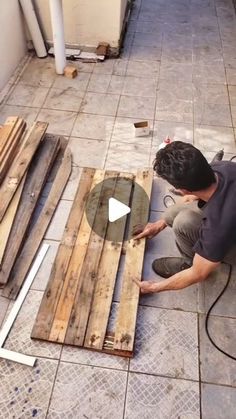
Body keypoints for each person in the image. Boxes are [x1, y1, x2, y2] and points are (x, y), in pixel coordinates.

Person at [133, 141, 236, 294]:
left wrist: (154, 287)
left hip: (230, 238)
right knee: (174, 213)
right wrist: (159, 224)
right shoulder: (223, 168)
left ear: (183, 190)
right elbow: (189, 198)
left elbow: (199, 273)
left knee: (184, 223)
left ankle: (188, 262)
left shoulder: (217, 228)